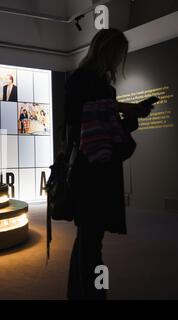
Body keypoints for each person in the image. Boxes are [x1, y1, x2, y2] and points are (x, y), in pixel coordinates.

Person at [64, 28, 154, 300]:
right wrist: (120, 109)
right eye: (117, 54)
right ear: (106, 51)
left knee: (88, 239)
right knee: (92, 243)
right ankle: (95, 295)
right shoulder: (83, 81)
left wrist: (131, 115)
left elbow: (107, 130)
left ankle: (80, 294)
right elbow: (77, 122)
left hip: (97, 171)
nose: (118, 61)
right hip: (92, 173)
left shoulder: (98, 84)